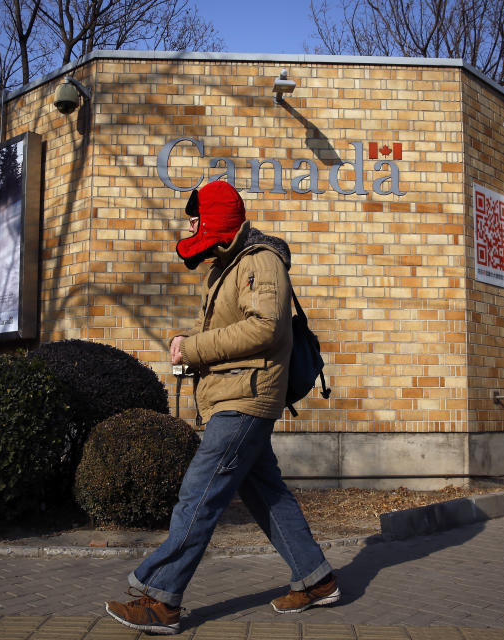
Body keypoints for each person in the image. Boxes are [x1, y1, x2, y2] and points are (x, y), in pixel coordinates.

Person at [105, 181, 339, 635]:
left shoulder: (259, 261)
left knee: (199, 493)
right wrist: (192, 352)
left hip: (245, 400)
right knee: (265, 492)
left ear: (216, 219)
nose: (190, 225)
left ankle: (161, 598)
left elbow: (266, 327)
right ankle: (316, 579)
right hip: (235, 395)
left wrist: (192, 348)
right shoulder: (226, 268)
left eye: (196, 217)